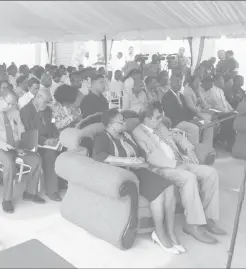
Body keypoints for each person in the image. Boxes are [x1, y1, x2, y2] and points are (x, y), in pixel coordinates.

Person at [133, 104, 225, 244]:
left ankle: (207, 218)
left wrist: (188, 149)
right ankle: (193, 225)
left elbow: (176, 136)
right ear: (146, 119)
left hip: (180, 161)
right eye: (157, 117)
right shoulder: (138, 133)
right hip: (162, 168)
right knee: (189, 178)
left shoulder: (159, 126)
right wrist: (175, 165)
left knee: (211, 173)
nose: (161, 119)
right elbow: (150, 157)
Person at [93, 108, 182, 254]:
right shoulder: (102, 137)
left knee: (169, 187)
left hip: (138, 169)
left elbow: (139, 153)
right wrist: (127, 160)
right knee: (158, 194)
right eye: (120, 121)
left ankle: (170, 231)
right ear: (111, 125)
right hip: (124, 174)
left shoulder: (126, 135)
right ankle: (159, 233)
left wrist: (139, 159)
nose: (124, 123)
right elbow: (100, 156)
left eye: (124, 120)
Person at [0, 88, 45, 213]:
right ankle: (7, 199)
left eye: (13, 104)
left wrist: (22, 144)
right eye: (9, 103)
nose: (11, 106)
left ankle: (30, 193)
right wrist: (3, 145)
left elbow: (21, 127)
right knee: (9, 164)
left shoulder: (13, 110)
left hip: (16, 146)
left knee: (36, 159)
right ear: (1, 99)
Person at [20, 88, 62, 201]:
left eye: (49, 102)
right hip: (32, 142)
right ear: (38, 97)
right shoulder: (25, 111)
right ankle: (52, 190)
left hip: (47, 141)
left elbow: (52, 124)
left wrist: (56, 135)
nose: (48, 104)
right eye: (46, 101)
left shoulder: (48, 110)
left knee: (63, 150)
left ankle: (60, 182)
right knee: (50, 155)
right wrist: (45, 141)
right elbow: (28, 132)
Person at [162, 75, 214, 147]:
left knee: (208, 125)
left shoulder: (180, 95)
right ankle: (194, 152)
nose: (179, 84)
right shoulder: (167, 97)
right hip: (176, 122)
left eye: (180, 82)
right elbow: (171, 115)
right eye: (177, 82)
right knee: (194, 128)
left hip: (187, 120)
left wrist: (196, 119)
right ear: (171, 83)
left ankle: (206, 149)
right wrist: (190, 120)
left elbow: (188, 110)